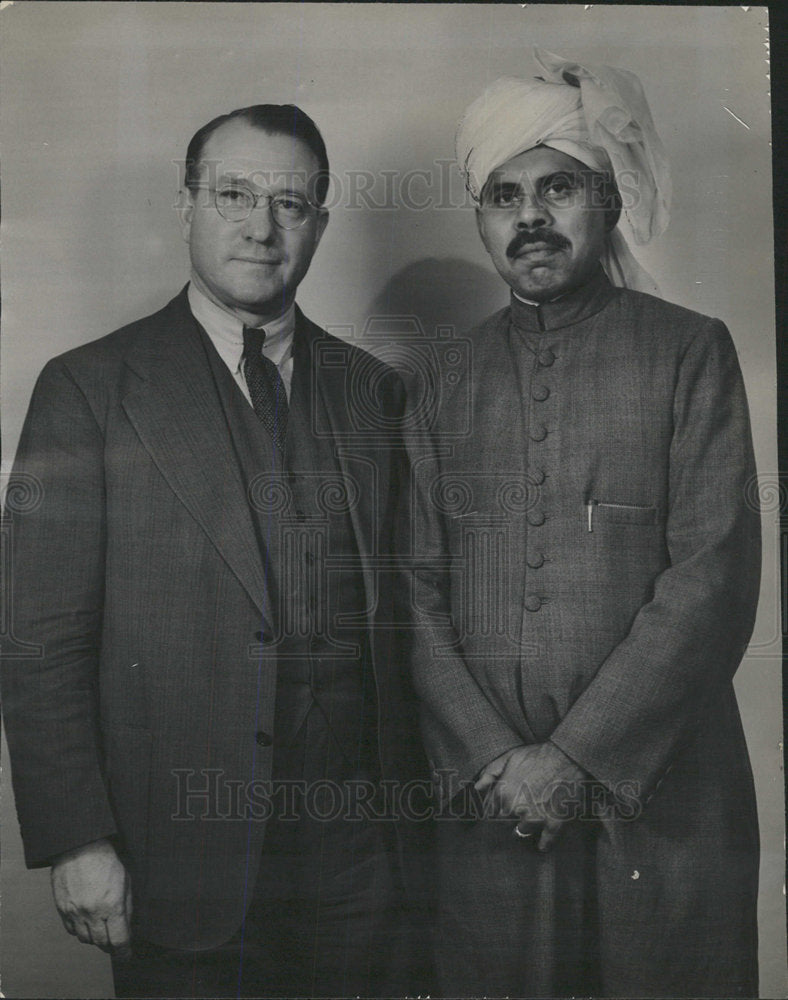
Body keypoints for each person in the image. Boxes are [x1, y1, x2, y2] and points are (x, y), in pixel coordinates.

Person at [1, 103, 429, 998]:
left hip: (361, 862)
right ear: (186, 204)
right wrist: (77, 838)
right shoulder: (88, 389)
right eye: (233, 193)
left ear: (320, 219)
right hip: (177, 859)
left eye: (292, 202)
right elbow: (36, 637)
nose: (262, 226)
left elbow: (417, 619)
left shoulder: (374, 394)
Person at [408, 48, 761, 998]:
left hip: (665, 800)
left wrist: (576, 758)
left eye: (557, 185)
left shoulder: (690, 352)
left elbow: (713, 576)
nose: (529, 217)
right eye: (502, 195)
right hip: (493, 811)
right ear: (481, 218)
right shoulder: (439, 383)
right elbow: (409, 589)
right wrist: (496, 760)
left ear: (604, 198)